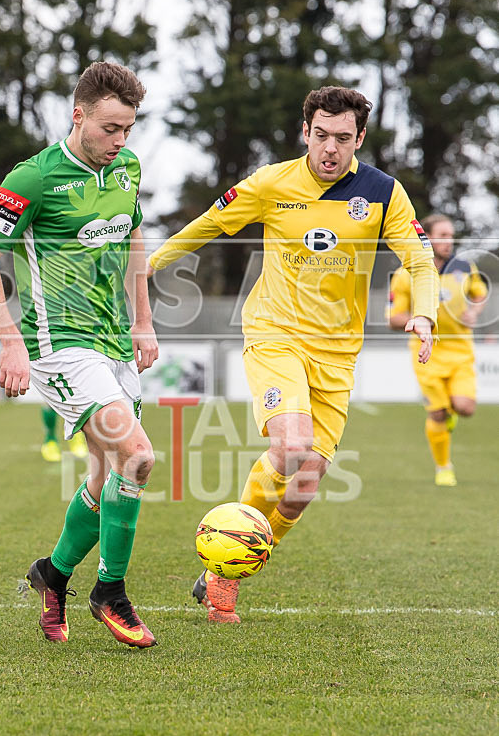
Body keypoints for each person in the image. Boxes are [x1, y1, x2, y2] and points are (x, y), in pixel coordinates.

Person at [147, 85, 439, 623]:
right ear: (305, 132)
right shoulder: (270, 182)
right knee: (291, 445)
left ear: (360, 139)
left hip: (338, 354)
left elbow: (419, 259)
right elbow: (209, 223)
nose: (330, 148)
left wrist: (423, 312)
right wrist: (148, 264)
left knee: (306, 483)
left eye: (343, 138)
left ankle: (229, 566)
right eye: (321, 135)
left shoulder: (383, 192)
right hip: (275, 334)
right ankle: (226, 565)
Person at [0, 61, 159, 648]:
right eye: (109, 128)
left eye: (127, 129)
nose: (120, 140)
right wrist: (11, 343)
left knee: (107, 475)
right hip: (60, 346)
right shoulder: (33, 177)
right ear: (79, 115)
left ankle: (52, 574)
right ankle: (111, 591)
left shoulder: (126, 167)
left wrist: (143, 322)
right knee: (137, 456)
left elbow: (133, 238)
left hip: (114, 342)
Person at [389, 214, 487, 486]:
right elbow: (393, 318)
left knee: (465, 408)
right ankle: (444, 468)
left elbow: (479, 293)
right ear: (427, 238)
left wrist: (474, 312)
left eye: (451, 235)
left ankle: (450, 412)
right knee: (437, 413)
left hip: (461, 350)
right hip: (427, 353)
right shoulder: (406, 273)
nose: (449, 241)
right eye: (442, 235)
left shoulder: (464, 267)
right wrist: (417, 319)